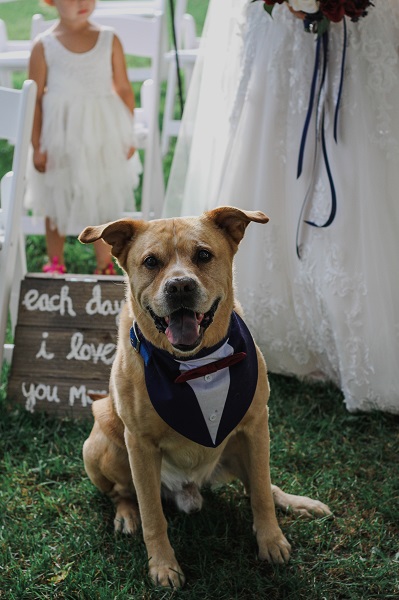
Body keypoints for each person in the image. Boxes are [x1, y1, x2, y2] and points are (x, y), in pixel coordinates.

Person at [163, 0, 399, 414]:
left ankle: (365, 330)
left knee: (363, 152)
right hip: (281, 32)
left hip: (369, 28)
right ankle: (269, 322)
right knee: (271, 154)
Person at [25, 0, 142, 275]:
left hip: (101, 133)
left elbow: (123, 88)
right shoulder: (44, 46)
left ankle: (104, 263)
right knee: (56, 193)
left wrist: (128, 134)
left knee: (101, 194)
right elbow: (35, 100)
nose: (82, 3)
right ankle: (55, 261)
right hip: (60, 134)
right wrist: (37, 145)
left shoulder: (108, 39)